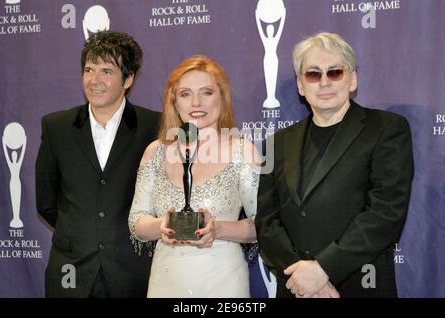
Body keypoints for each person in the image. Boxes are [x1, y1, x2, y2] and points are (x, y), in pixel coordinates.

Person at [255, 32, 414, 298]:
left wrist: (323, 270)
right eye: (313, 74)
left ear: (353, 79)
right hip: (296, 289)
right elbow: (267, 222)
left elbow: (385, 213)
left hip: (361, 285)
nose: (325, 82)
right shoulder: (276, 143)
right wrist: (302, 277)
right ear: (300, 86)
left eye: (335, 72)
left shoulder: (386, 129)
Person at [35, 30, 160, 297]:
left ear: (128, 79)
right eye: (89, 70)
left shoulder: (154, 127)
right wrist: (82, 232)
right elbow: (46, 202)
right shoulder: (56, 127)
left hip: (132, 271)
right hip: (71, 272)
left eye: (106, 71)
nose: (94, 80)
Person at [128, 55, 260, 298]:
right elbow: (136, 222)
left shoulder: (243, 151)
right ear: (174, 101)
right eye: (186, 94)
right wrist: (162, 226)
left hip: (223, 282)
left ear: (222, 98)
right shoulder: (155, 152)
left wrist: (217, 229)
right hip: (165, 281)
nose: (196, 102)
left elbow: (261, 225)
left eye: (207, 92)